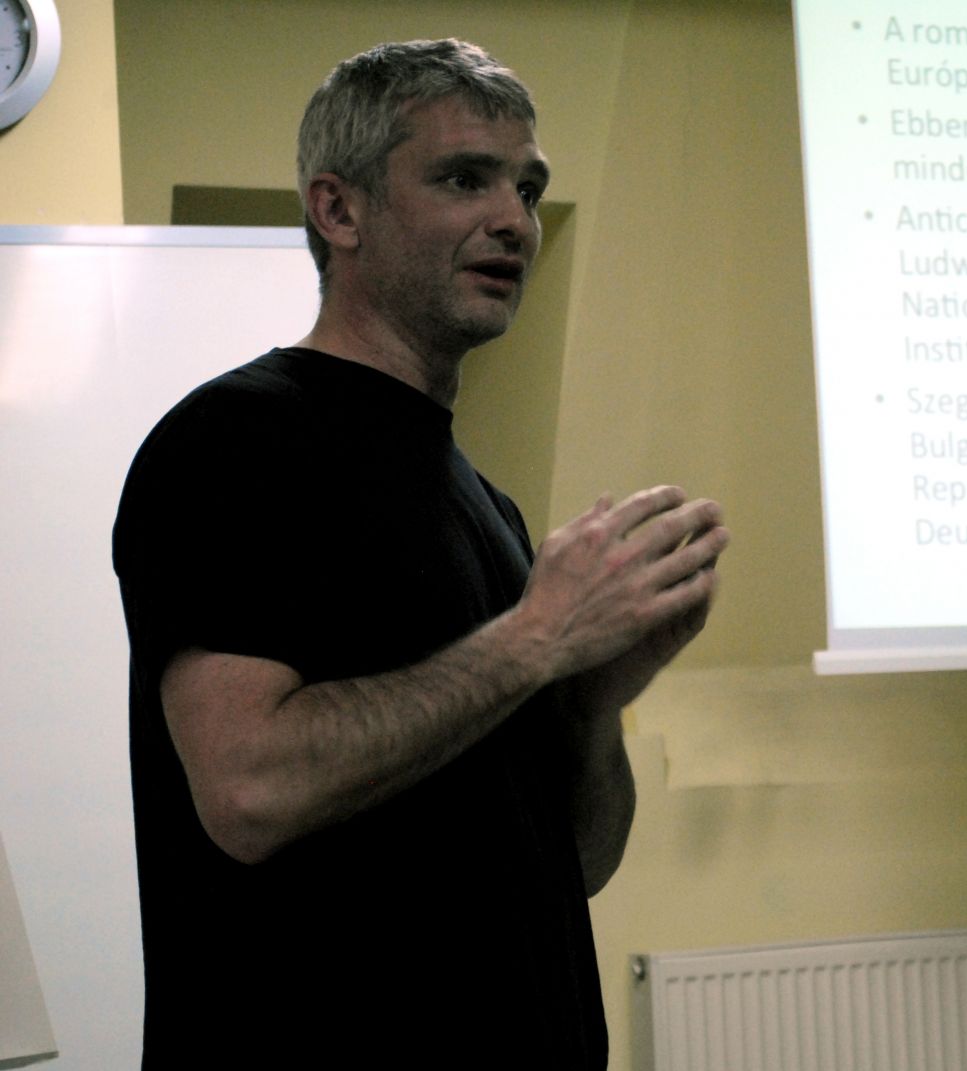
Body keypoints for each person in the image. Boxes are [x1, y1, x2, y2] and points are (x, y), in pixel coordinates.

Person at [111, 38, 727, 1068]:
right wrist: (535, 639)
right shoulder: (235, 440)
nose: (513, 220)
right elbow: (249, 789)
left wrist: (591, 699)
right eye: (463, 179)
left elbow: (579, 859)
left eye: (528, 188)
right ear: (338, 210)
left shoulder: (488, 505)